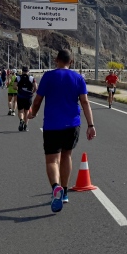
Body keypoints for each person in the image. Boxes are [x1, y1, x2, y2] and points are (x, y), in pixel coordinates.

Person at [28, 49, 96, 213]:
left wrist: (33, 113)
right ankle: (64, 192)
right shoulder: (78, 78)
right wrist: (91, 125)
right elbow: (85, 102)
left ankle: (55, 187)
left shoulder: (48, 76)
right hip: (72, 125)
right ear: (71, 62)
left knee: (52, 160)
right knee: (67, 156)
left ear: (56, 60)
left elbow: (37, 101)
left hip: (52, 125)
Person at [16, 66, 37, 132]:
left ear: (22, 71)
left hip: (20, 96)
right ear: (28, 71)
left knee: (20, 111)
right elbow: (35, 87)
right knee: (27, 111)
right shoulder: (31, 78)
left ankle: (21, 120)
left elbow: (14, 86)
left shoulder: (18, 77)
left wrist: (19, 90)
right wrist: (32, 92)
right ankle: (25, 125)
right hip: (28, 97)